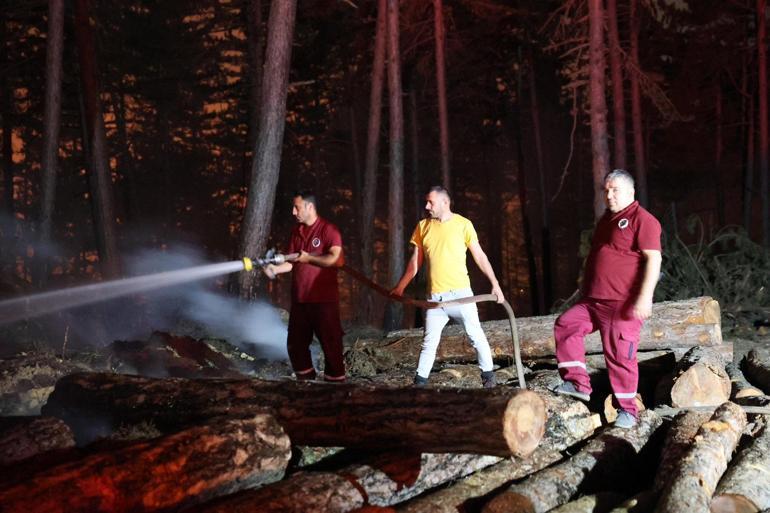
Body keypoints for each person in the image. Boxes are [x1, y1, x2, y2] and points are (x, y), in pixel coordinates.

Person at [554, 169, 662, 428]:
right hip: (593, 300)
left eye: (615, 190)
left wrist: (645, 297)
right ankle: (578, 382)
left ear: (630, 192)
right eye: (607, 190)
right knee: (566, 324)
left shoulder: (643, 220)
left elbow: (654, 259)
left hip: (621, 303)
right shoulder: (607, 220)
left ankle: (627, 410)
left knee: (619, 355)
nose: (609, 195)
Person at [390, 186, 505, 388]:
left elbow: (479, 256)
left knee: (476, 335)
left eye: (430, 202)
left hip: (461, 295)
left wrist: (495, 284)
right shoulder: (423, 226)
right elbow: (415, 262)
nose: (426, 206)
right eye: (426, 202)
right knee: (429, 342)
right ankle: (419, 385)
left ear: (445, 202)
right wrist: (400, 287)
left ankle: (488, 379)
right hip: (435, 299)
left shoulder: (463, 224)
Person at [263, 191, 346, 382]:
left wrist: (309, 257)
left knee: (331, 347)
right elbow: (292, 261)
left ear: (310, 207)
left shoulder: (328, 230)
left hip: (324, 301)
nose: (293, 212)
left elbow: (335, 259)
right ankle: (307, 385)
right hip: (300, 301)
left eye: (297, 207)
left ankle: (337, 388)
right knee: (295, 346)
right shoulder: (297, 231)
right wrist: (274, 270)